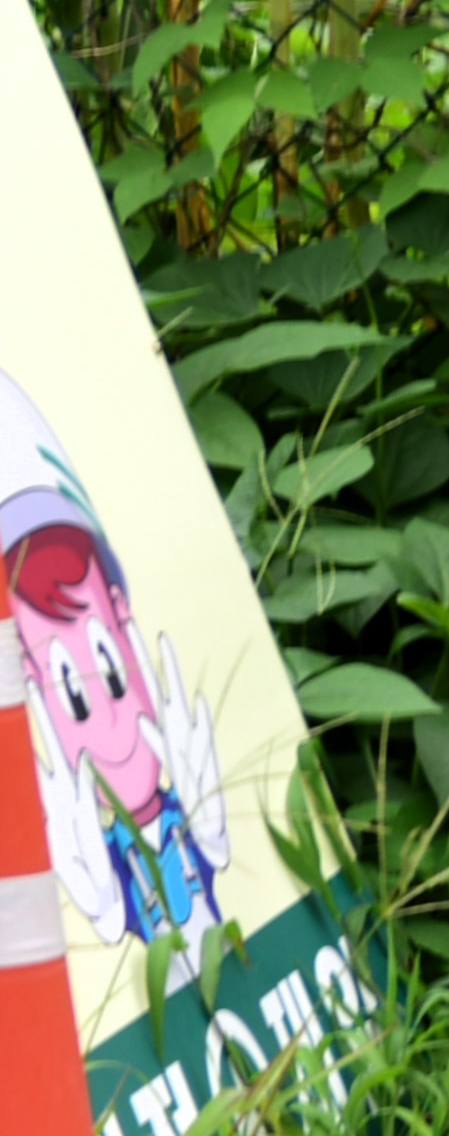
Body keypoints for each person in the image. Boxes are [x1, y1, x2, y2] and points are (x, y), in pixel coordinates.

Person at [0, 376, 226, 969]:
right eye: (68, 696)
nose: (107, 720)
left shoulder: (191, 813)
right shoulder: (103, 862)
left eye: (111, 670)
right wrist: (100, 902)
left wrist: (210, 833)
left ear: (124, 619)